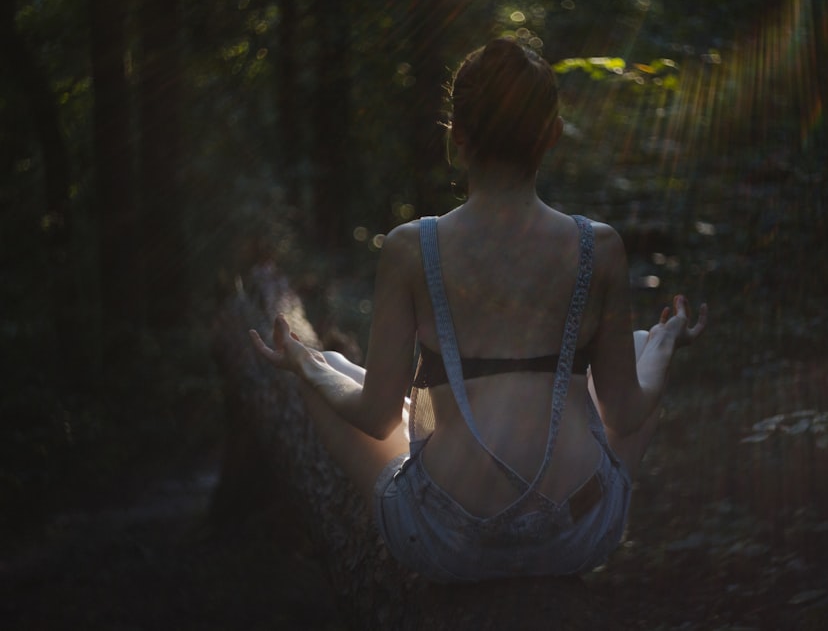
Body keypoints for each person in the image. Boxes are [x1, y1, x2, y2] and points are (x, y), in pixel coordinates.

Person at [250, 37, 707, 582]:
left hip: (445, 541)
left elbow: (374, 417)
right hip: (575, 537)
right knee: (642, 345)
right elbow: (627, 415)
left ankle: (312, 369)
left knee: (321, 373)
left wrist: (303, 366)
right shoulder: (599, 248)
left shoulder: (409, 248)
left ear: (458, 138)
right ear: (552, 137)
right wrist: (668, 341)